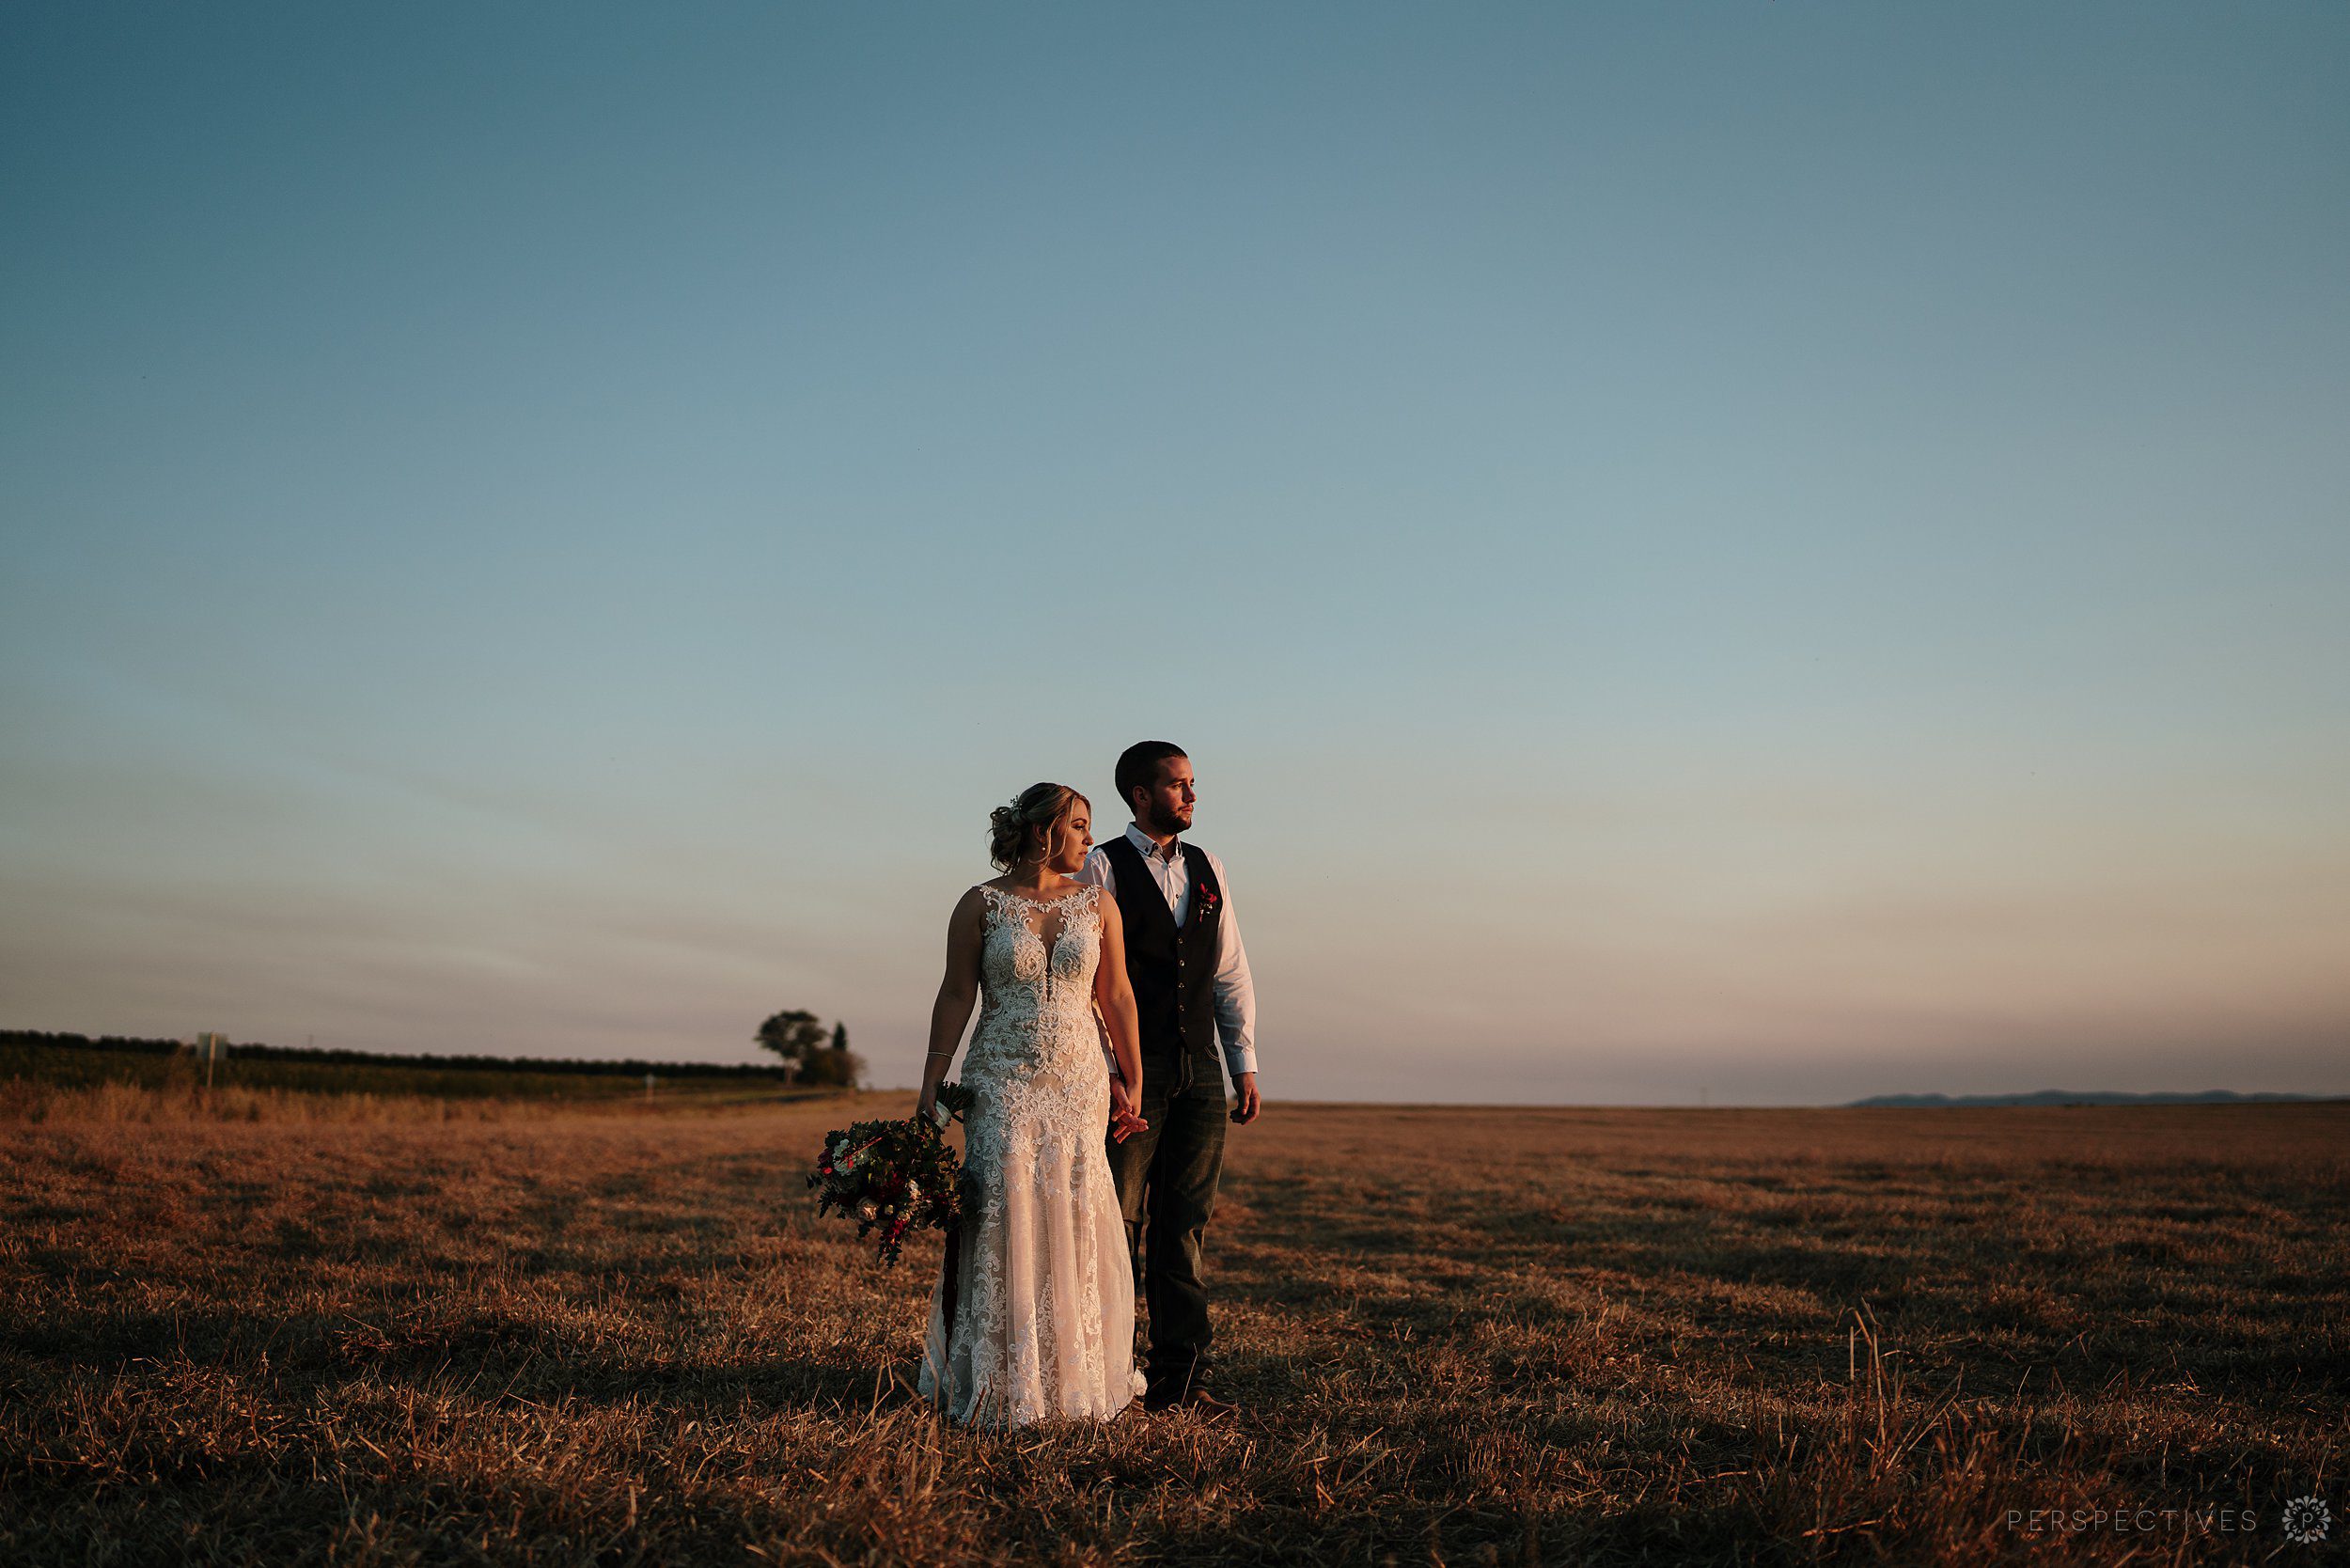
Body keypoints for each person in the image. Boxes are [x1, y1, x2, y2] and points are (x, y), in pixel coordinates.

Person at [914, 783, 1152, 1427]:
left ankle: (1071, 1376)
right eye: (1078, 825)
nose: (1086, 838)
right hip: (1000, 1079)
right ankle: (997, 1379)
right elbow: (956, 994)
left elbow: (1118, 995)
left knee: (1075, 1210)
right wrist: (932, 1082)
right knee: (1004, 1210)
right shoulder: (980, 905)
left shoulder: (1098, 905)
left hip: (1078, 1081)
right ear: (1043, 831)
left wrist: (1131, 1082)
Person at [1079, 742, 1259, 1418]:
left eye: (1192, 785)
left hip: (1202, 1070)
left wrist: (1243, 1063)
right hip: (1132, 1074)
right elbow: (1090, 984)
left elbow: (1230, 969)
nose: (1190, 796)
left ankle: (1182, 1384)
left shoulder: (1208, 866)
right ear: (1140, 794)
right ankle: (1110, 1383)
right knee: (1117, 1225)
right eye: (1178, 785)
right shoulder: (1103, 865)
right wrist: (1112, 1075)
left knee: (1184, 1227)